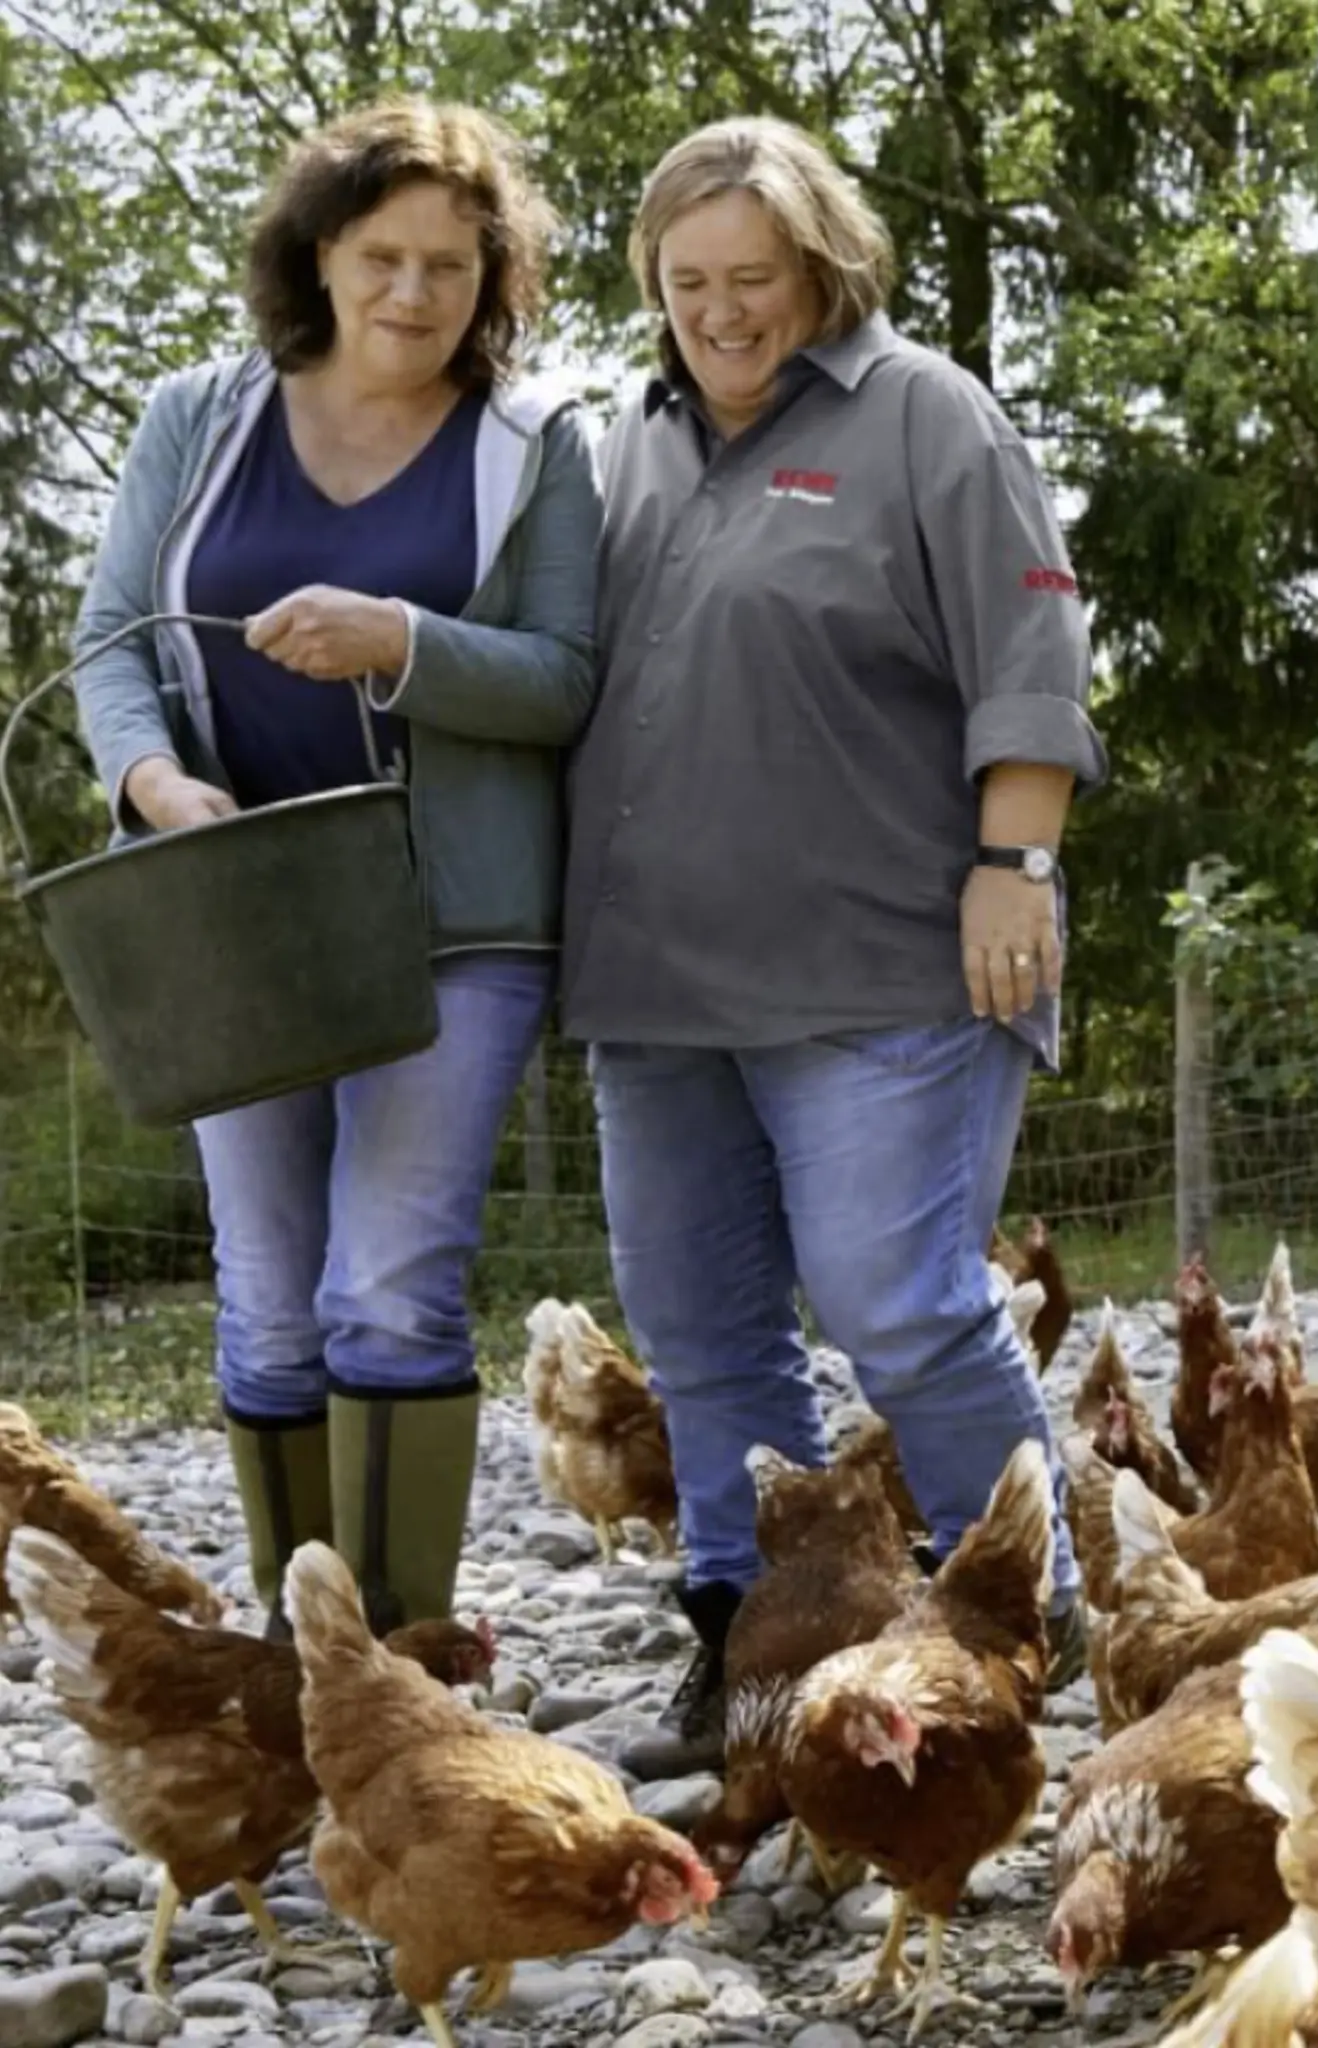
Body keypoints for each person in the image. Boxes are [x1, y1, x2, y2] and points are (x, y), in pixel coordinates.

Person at [563, 113, 1108, 1779]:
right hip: (657, 983)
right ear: (653, 284)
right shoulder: (619, 447)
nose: (723, 311)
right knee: (702, 1329)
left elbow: (1033, 646)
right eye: (688, 280)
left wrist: (1016, 858)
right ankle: (753, 1641)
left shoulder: (925, 416)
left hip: (886, 965)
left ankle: (1039, 1610)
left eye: (756, 276)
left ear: (823, 266)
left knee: (900, 1298)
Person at [70, 99, 603, 1637]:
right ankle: (303, 1674)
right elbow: (114, 645)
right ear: (322, 252)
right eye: (384, 257)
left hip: (454, 923)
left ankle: (403, 1665)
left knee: (393, 1284)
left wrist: (404, 644)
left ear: (494, 276)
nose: (415, 295)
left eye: (453, 264)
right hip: (229, 918)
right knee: (267, 1298)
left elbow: (563, 676)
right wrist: (153, 780)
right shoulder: (200, 415)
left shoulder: (532, 444)